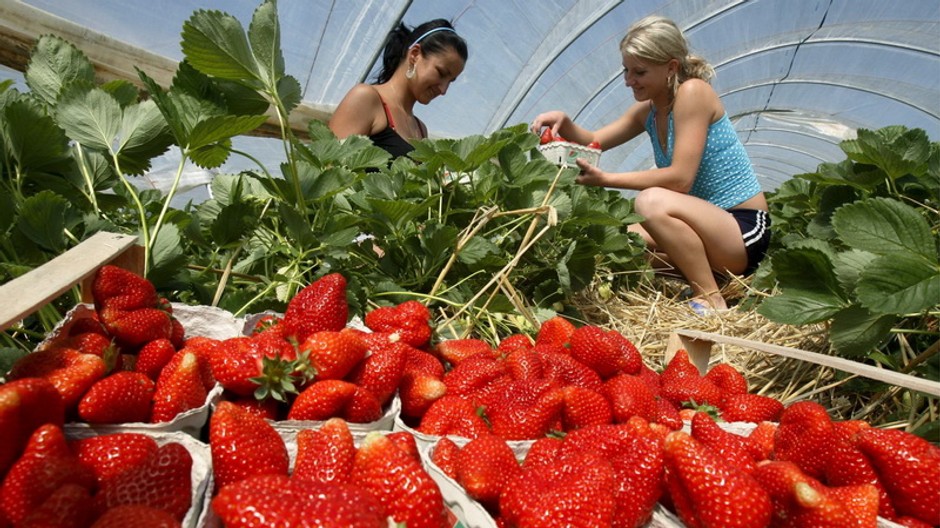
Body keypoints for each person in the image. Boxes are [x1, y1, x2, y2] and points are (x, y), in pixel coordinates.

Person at [531, 15, 770, 313]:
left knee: (651, 202)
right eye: (626, 70)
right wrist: (564, 123)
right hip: (709, 232)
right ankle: (718, 282)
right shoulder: (647, 111)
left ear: (671, 67)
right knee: (623, 241)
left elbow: (681, 179)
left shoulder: (693, 93)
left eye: (639, 72)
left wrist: (606, 178)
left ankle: (711, 299)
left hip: (742, 229)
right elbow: (593, 139)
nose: (628, 81)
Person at [329, 19, 468, 158]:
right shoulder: (365, 98)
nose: (443, 90)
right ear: (414, 54)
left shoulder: (420, 130)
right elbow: (329, 168)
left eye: (451, 81)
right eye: (441, 73)